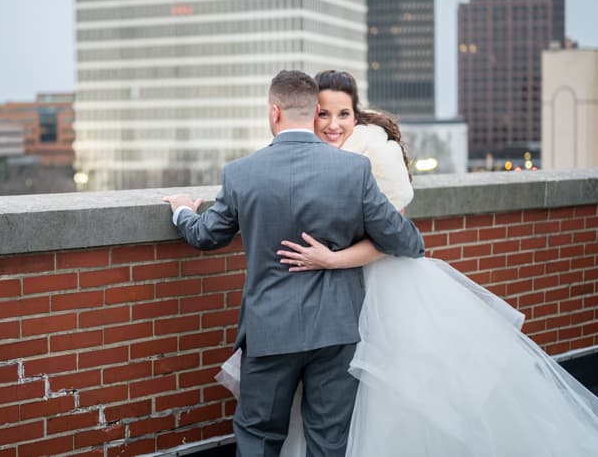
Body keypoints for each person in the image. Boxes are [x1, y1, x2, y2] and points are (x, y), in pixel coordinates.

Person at [269, 69, 598, 456]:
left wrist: (332, 259)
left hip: (382, 284)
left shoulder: (376, 152)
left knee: (392, 391)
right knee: (331, 394)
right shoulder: (307, 155)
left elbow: (393, 240)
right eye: (323, 114)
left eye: (343, 114)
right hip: (332, 290)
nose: (332, 124)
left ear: (356, 114)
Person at [163, 70, 426, 457]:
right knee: (329, 442)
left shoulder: (241, 173)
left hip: (270, 330)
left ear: (274, 112)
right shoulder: (353, 171)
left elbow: (206, 236)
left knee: (258, 436)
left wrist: (183, 211)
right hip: (337, 330)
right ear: (314, 111)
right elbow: (405, 241)